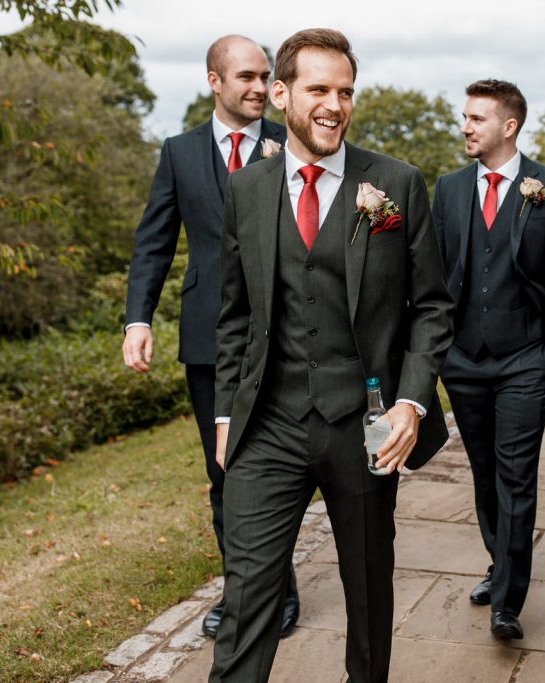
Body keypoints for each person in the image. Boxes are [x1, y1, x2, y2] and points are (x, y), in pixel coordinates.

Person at [208, 28, 453, 683]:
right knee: (246, 595)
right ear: (281, 93)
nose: (335, 104)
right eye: (319, 89)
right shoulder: (246, 190)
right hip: (267, 424)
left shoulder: (395, 183)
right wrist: (226, 415)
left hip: (363, 422)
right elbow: (234, 314)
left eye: (346, 91)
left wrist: (410, 400)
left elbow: (431, 306)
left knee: (368, 591)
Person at [122, 34, 300, 640]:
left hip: (283, 334)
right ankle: (242, 588)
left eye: (265, 77)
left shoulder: (290, 144)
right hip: (206, 337)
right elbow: (153, 241)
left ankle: (277, 591)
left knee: (278, 467)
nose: (259, 88)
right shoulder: (178, 152)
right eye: (246, 76)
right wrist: (137, 318)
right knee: (224, 470)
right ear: (214, 81)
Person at [432, 79, 545, 640]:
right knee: (483, 472)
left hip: (525, 358)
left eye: (477, 118)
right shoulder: (447, 190)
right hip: (464, 359)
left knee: (516, 475)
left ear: (509, 126)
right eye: (465, 116)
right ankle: (500, 563)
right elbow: (434, 273)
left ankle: (508, 601)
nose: (466, 127)